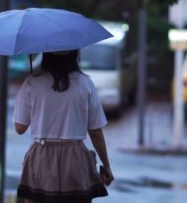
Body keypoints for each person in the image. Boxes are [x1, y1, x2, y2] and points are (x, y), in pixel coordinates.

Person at [13, 49, 113, 203]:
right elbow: (96, 131)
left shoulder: (31, 83)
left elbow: (20, 128)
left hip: (41, 156)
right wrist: (106, 165)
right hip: (75, 157)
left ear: (46, 56)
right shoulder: (86, 84)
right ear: (74, 56)